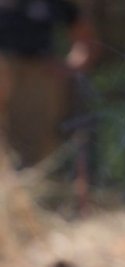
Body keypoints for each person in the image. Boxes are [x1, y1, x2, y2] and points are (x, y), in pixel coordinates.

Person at [0, 0, 97, 168]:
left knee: (36, 144)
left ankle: (30, 184)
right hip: (5, 72)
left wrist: (69, 67)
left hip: (39, 76)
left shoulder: (53, 4)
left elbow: (85, 38)